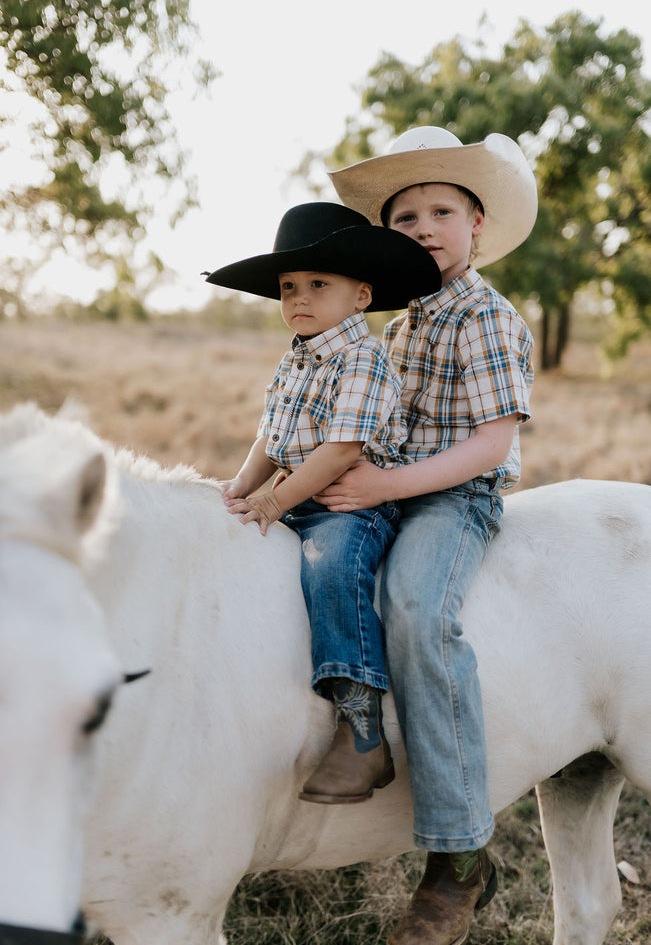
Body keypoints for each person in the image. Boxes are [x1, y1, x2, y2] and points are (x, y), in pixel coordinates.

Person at [320, 127, 538, 945]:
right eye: (404, 214)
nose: (421, 225)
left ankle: (457, 856)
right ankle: (353, 734)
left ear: (476, 223)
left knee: (416, 607)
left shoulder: (485, 316)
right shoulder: (397, 323)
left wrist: (383, 486)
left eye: (440, 209)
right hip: (387, 487)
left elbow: (490, 444)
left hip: (454, 499)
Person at [204, 201, 440, 805]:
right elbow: (272, 435)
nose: (299, 299)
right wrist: (237, 491)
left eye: (317, 285)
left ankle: (361, 727)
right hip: (298, 491)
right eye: (288, 287)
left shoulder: (362, 358)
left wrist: (273, 504)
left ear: (361, 296)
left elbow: (340, 451)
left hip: (350, 505)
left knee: (331, 566)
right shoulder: (298, 354)